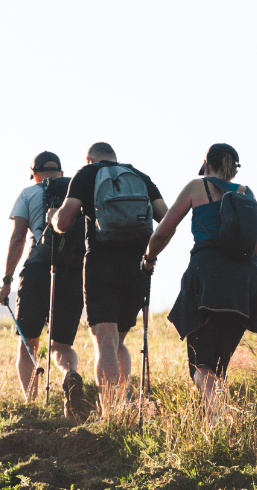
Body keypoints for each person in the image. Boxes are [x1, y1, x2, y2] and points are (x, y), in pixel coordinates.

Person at [145, 143, 257, 422]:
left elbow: (164, 230)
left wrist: (148, 257)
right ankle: (213, 427)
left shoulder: (197, 187)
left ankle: (218, 418)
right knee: (218, 366)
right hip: (246, 287)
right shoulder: (246, 195)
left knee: (202, 365)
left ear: (206, 165)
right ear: (235, 168)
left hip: (208, 283)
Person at [51, 142, 169, 411]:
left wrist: (53, 219)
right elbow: (165, 216)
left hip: (101, 263)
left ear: (88, 158)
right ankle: (124, 404)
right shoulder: (138, 175)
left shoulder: (86, 174)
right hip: (139, 265)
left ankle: (111, 413)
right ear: (115, 158)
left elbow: (65, 221)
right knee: (119, 341)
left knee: (105, 340)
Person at [0, 151, 88, 417]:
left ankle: (31, 405)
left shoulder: (28, 194)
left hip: (37, 268)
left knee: (29, 343)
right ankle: (70, 373)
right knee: (61, 346)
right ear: (61, 173)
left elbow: (17, 239)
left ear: (34, 174)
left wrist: (6, 281)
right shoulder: (77, 191)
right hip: (72, 270)